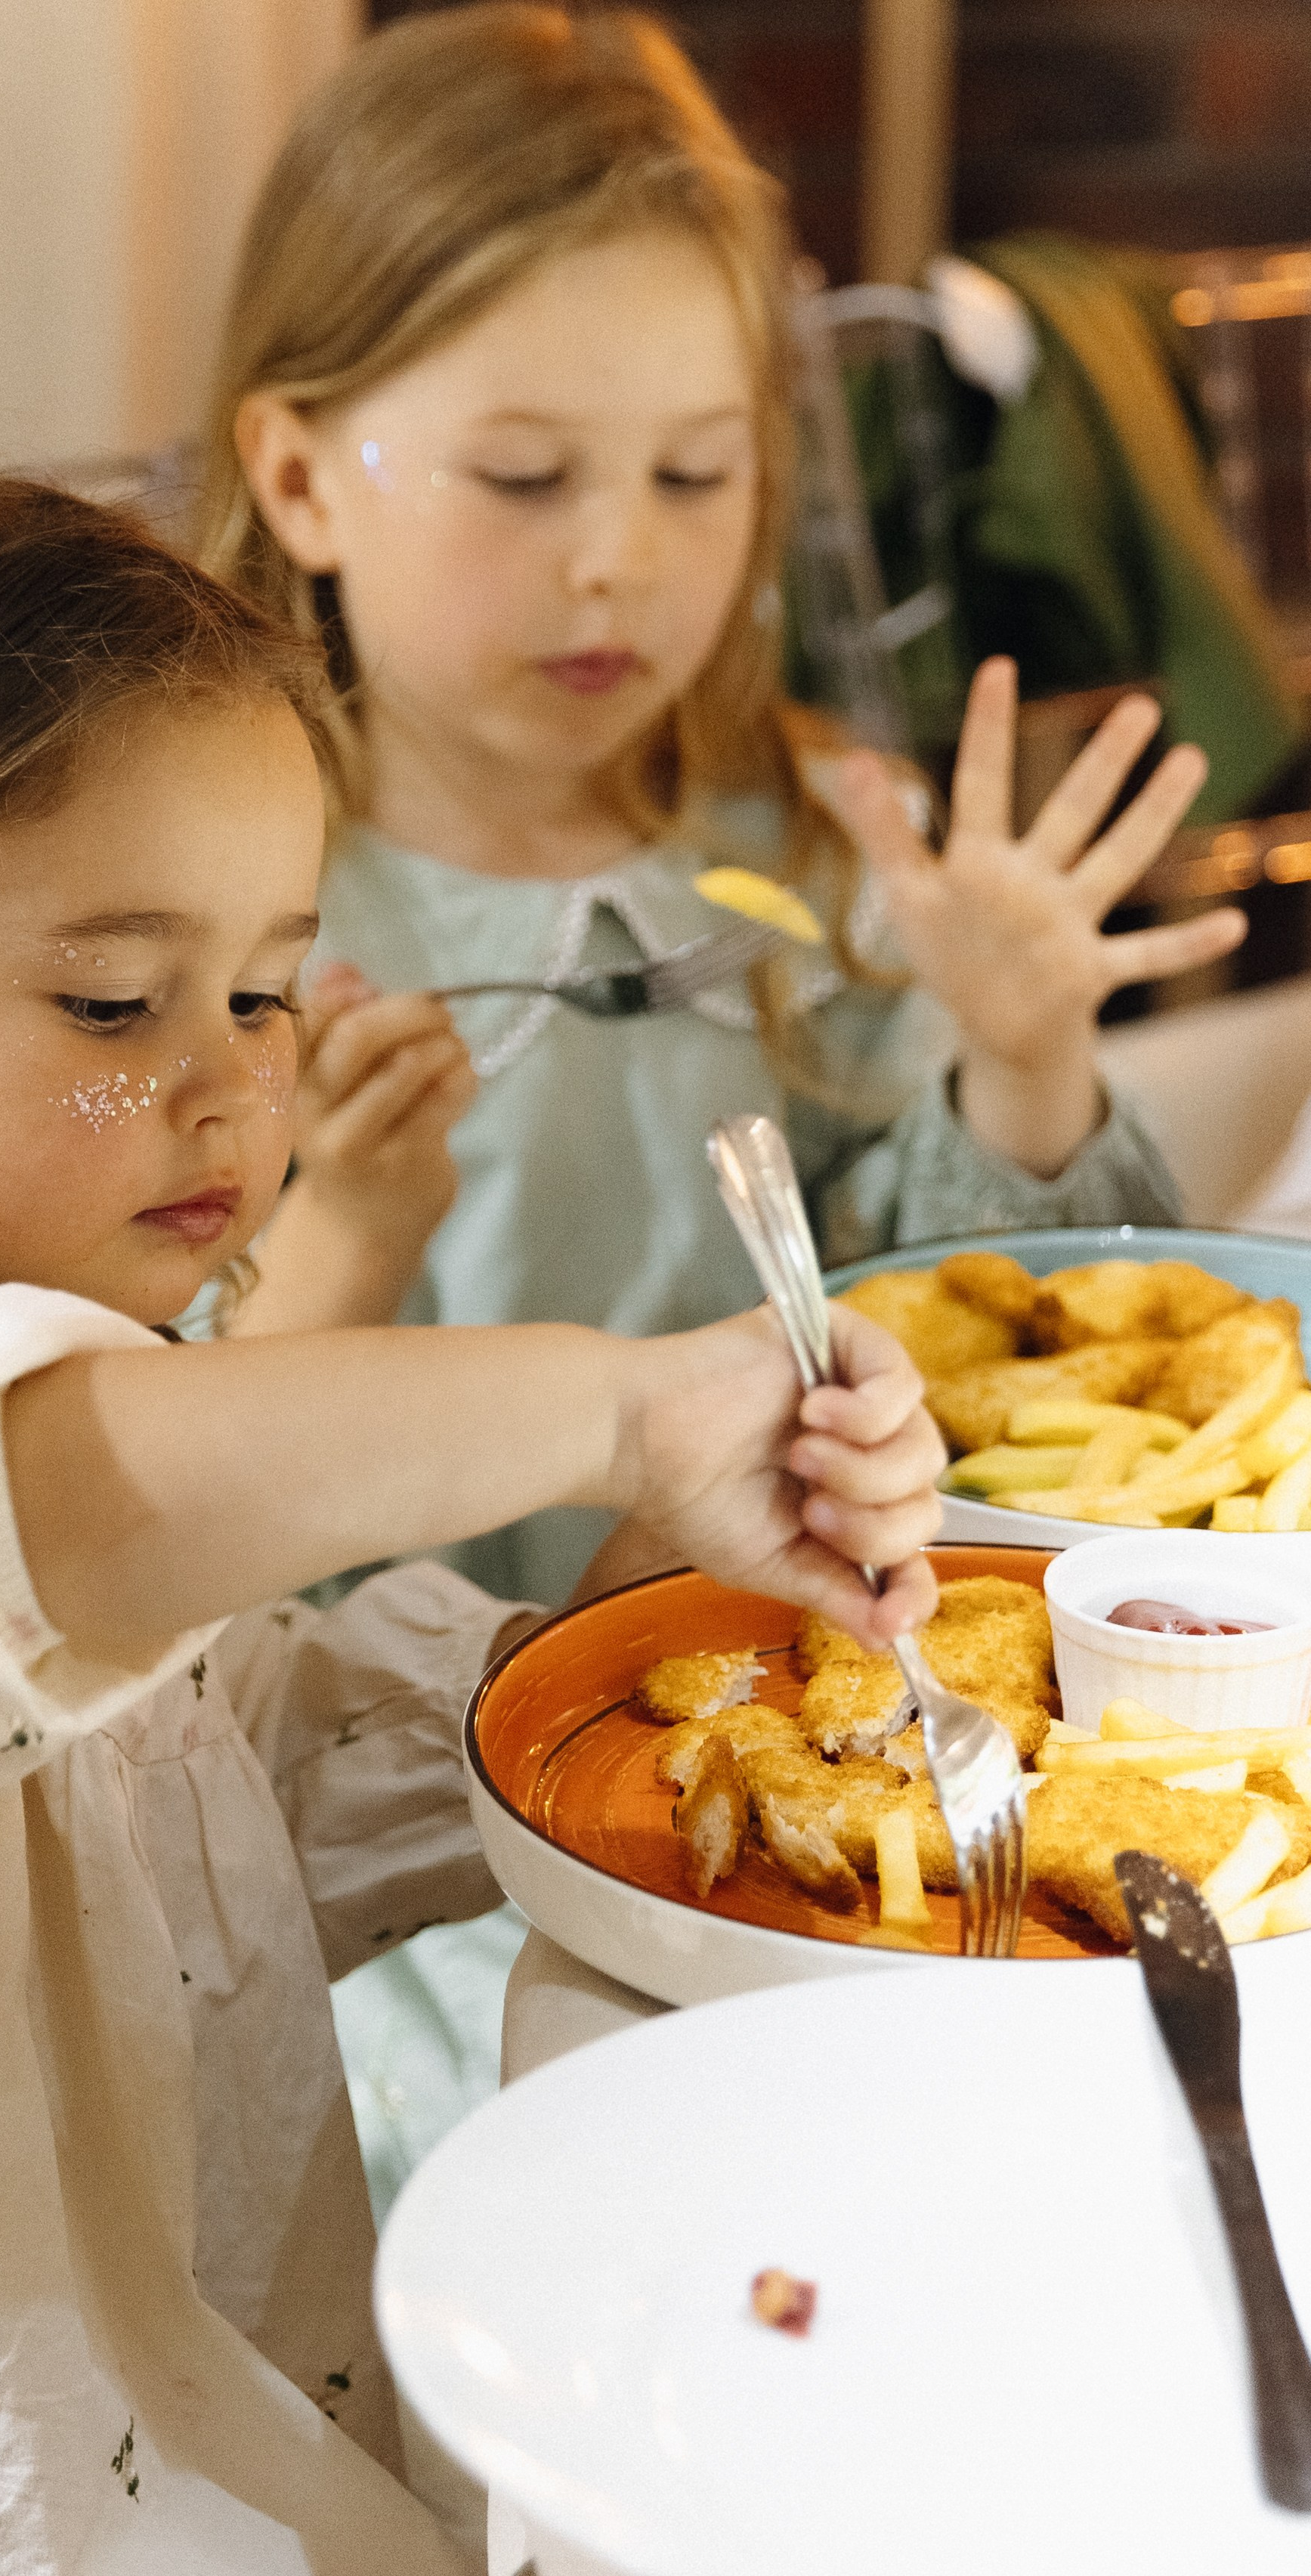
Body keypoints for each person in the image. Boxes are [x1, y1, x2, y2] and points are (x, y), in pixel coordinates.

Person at [0, 464, 944, 2574]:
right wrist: (612, 1407)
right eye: (116, 1008)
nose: (225, 1084)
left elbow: (327, 1781)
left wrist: (713, 1541)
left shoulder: (96, 1439)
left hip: (220, 2466)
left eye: (265, 994)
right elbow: (41, 1517)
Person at [199, 0, 1245, 1605]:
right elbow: (151, 1495)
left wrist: (1019, 1063)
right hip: (360, 1780)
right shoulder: (214, 913)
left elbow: (958, 1345)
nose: (619, 556)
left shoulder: (823, 842)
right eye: (525, 477)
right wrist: (339, 1229)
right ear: (296, 478)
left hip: (759, 1702)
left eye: (694, 474)